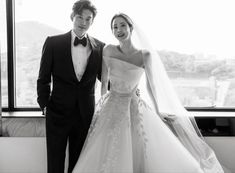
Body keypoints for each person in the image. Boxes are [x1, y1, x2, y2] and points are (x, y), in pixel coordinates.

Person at [72, 13, 226, 173]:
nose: (119, 30)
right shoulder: (108, 50)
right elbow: (104, 83)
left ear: (131, 27)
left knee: (138, 147)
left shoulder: (144, 55)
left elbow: (152, 87)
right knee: (106, 148)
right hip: (111, 106)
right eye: (115, 27)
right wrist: (100, 108)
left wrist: (158, 111)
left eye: (122, 25)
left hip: (134, 106)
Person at [37, 1, 105, 173]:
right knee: (55, 162)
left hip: (85, 115)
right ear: (71, 17)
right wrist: (45, 105)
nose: (83, 22)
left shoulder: (100, 47)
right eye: (80, 17)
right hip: (57, 113)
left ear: (92, 22)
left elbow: (105, 79)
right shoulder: (53, 43)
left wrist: (128, 87)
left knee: (79, 164)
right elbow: (43, 78)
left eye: (88, 19)